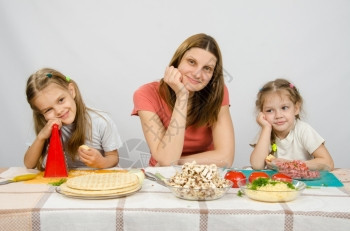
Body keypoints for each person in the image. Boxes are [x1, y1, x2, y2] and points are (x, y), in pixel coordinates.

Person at [131, 33, 235, 167]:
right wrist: (182, 96)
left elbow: (226, 158)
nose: (197, 74)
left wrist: (178, 162)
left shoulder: (217, 93)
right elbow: (167, 160)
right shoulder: (146, 94)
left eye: (207, 68)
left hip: (204, 172)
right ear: (177, 61)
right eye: (192, 62)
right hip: (162, 176)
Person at [24, 68, 122, 170]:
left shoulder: (100, 121)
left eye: (61, 100)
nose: (58, 111)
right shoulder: (44, 126)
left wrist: (100, 162)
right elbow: (29, 164)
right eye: (48, 110)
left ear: (71, 91)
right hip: (66, 182)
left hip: (98, 180)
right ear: (41, 113)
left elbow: (113, 158)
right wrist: (41, 137)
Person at [250, 78, 334, 171]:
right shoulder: (266, 131)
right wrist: (266, 128)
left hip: (304, 182)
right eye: (269, 110)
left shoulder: (303, 130)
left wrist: (290, 164)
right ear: (262, 114)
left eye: (284, 108)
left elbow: (328, 163)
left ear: (296, 108)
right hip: (277, 182)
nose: (278, 115)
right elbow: (257, 165)